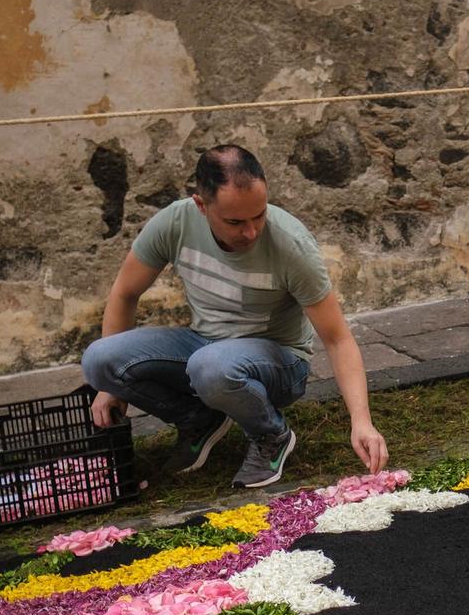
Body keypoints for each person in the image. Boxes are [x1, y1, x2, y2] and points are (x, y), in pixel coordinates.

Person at [81, 143, 388, 488]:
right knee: (99, 362)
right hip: (205, 346)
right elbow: (125, 293)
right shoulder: (175, 222)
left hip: (280, 361)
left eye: (259, 215)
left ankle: (273, 435)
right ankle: (198, 420)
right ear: (201, 205)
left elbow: (337, 338)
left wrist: (361, 421)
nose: (251, 232)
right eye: (235, 221)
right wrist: (111, 388)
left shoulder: (291, 244)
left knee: (211, 366)